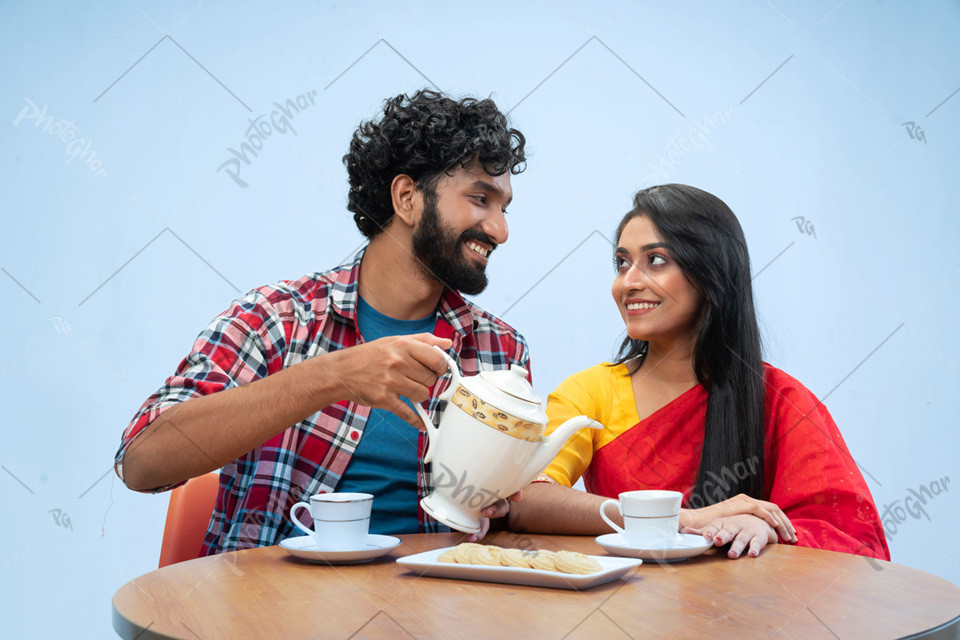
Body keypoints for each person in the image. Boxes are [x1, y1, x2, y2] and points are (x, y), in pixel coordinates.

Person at [115, 90, 528, 555]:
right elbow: (142, 462)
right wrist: (334, 376)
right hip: (271, 615)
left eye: (504, 208)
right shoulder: (274, 320)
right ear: (407, 198)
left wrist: (500, 502)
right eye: (480, 199)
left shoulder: (499, 350)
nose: (500, 230)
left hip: (430, 613)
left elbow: (511, 503)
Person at [508, 184, 890, 561]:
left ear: (710, 275)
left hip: (742, 617)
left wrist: (768, 531)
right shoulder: (591, 391)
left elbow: (850, 537)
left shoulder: (778, 399)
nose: (628, 282)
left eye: (655, 260)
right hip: (623, 607)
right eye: (622, 263)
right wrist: (680, 520)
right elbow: (524, 500)